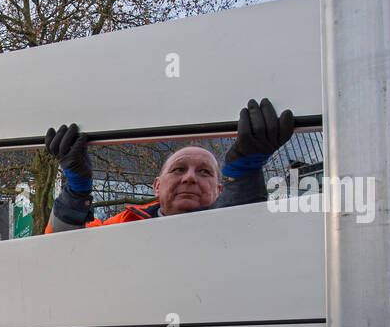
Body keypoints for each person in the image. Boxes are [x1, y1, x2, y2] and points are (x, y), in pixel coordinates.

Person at [43, 98, 296, 231]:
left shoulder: (247, 224)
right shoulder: (122, 225)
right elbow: (64, 249)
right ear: (156, 186)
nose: (189, 178)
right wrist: (75, 191)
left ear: (219, 190)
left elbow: (245, 237)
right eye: (178, 169)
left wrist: (245, 176)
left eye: (205, 172)